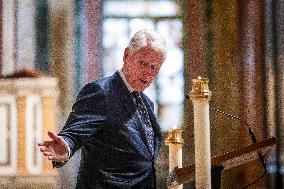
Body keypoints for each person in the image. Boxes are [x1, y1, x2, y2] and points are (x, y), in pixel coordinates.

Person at [38, 29, 167, 188]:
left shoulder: (147, 103)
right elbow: (74, 133)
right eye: (143, 63)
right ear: (126, 56)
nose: (148, 73)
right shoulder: (101, 92)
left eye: (154, 67)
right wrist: (66, 148)